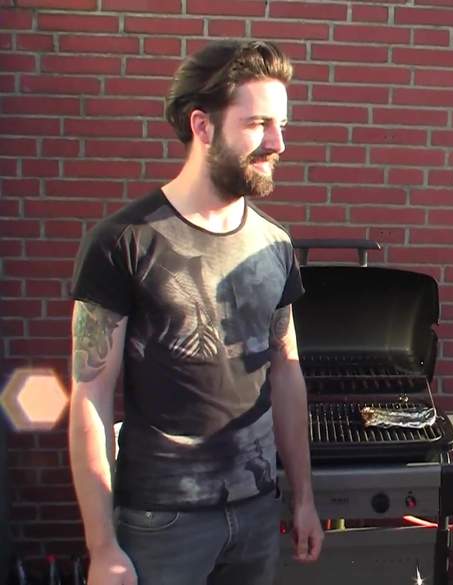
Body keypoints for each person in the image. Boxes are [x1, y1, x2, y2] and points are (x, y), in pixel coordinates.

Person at [68, 40, 323, 585]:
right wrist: (102, 545)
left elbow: (286, 372)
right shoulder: (123, 242)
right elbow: (90, 395)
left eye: (281, 125)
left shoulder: (275, 245)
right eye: (258, 124)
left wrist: (303, 496)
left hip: (257, 510)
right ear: (202, 126)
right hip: (162, 520)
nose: (278, 143)